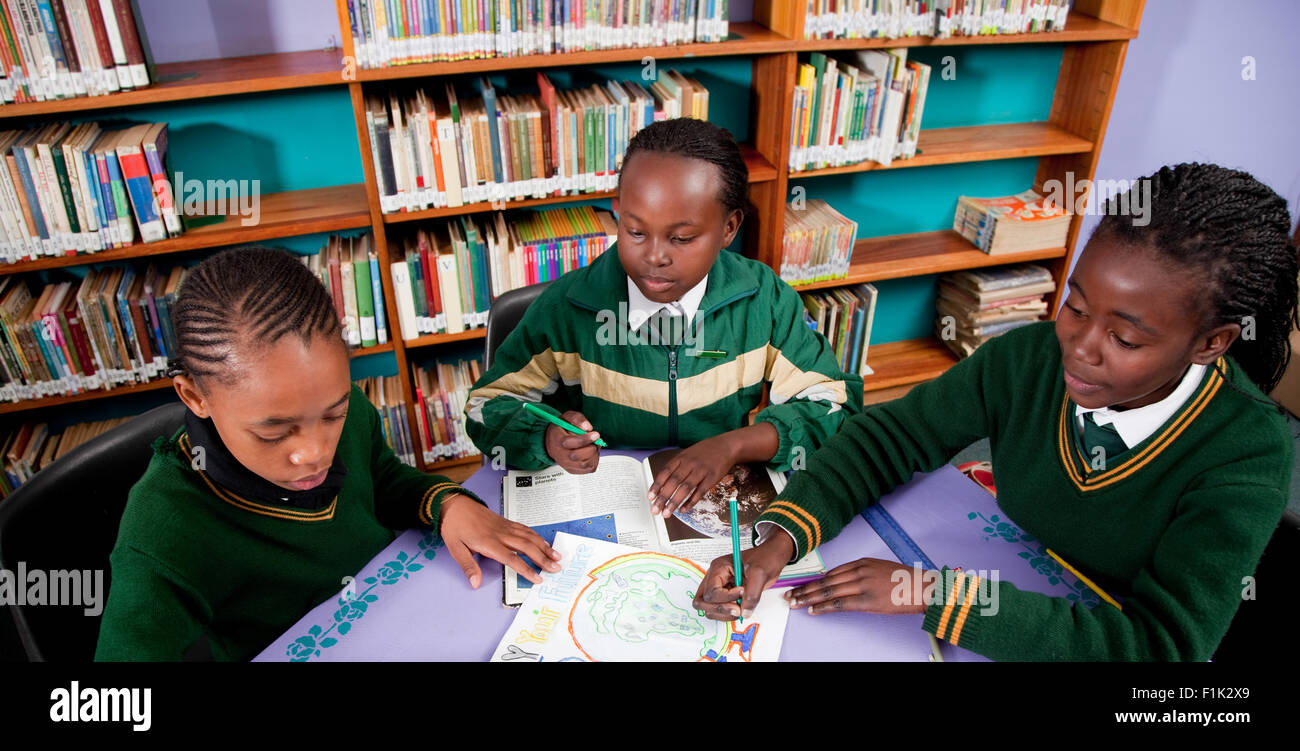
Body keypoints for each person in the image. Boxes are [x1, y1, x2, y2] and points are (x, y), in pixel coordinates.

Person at [694, 163, 1297, 661]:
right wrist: (778, 541)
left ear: (1212, 342)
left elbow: (1159, 649)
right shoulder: (1030, 358)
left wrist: (938, 594)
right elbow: (891, 437)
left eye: (1127, 340)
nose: (1080, 349)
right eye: (1076, 307)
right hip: (1012, 569)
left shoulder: (1247, 451)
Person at [96, 246, 559, 661]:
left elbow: (382, 478)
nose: (316, 452)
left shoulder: (346, 408)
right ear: (195, 396)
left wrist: (447, 503)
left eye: (333, 414)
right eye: (274, 433)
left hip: (398, 609)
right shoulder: (161, 533)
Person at [466, 117, 862, 517]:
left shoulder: (765, 301)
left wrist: (734, 445)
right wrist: (547, 437)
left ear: (729, 227)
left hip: (718, 497)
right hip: (605, 501)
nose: (655, 256)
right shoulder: (566, 308)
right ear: (619, 214)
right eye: (636, 232)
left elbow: (834, 405)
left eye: (681, 238)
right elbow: (486, 406)